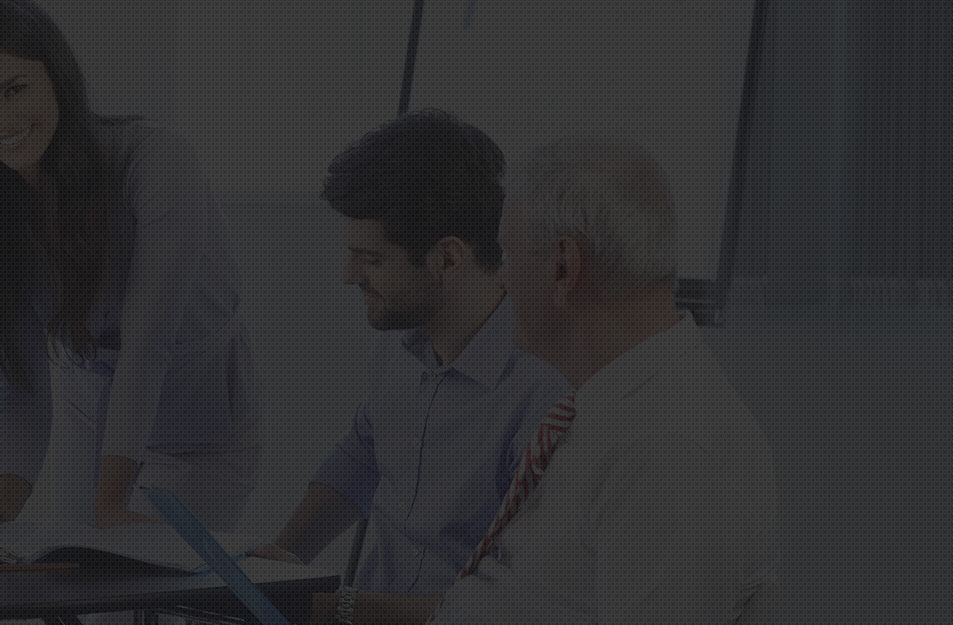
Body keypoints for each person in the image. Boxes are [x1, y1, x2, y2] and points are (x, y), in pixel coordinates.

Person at [0, 0, 260, 532]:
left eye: (15, 89)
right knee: (72, 568)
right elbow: (20, 375)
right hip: (93, 412)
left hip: (196, 418)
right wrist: (4, 502)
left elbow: (147, 342)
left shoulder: (156, 160)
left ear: (56, 76)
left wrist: (109, 502)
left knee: (151, 571)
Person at [429, 139, 779, 623]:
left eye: (507, 256)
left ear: (563, 267)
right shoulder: (616, 408)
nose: (502, 280)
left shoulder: (669, 451)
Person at [244, 111, 571, 625]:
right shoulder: (400, 347)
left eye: (371, 260)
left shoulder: (546, 394)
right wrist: (277, 565)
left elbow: (519, 606)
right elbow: (359, 458)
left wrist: (335, 609)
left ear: (448, 259)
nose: (349, 276)